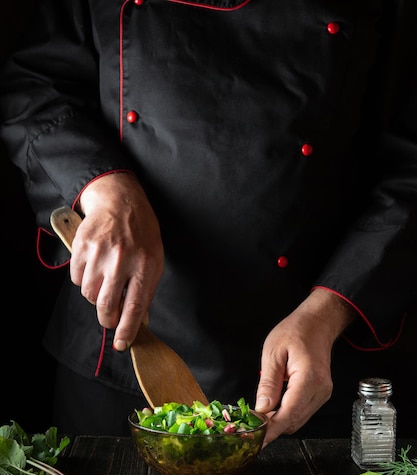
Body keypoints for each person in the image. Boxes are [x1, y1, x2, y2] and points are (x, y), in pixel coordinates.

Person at [1, 0, 417, 442]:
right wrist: (103, 187)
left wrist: (329, 311)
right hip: (120, 351)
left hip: (314, 361)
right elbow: (33, 87)